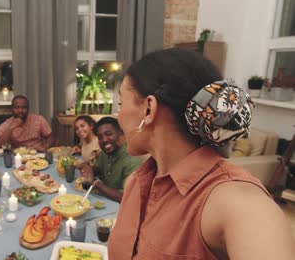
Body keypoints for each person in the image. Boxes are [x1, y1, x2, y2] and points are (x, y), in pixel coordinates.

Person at [109, 48, 295, 259]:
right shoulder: (136, 182)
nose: (118, 116)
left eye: (121, 104)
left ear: (149, 109)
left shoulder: (237, 202)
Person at [78, 117, 143, 202]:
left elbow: (125, 197)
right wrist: (90, 169)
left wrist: (95, 182)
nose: (104, 140)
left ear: (120, 133)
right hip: (102, 200)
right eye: (100, 137)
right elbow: (99, 169)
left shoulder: (133, 161)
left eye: (108, 134)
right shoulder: (104, 154)